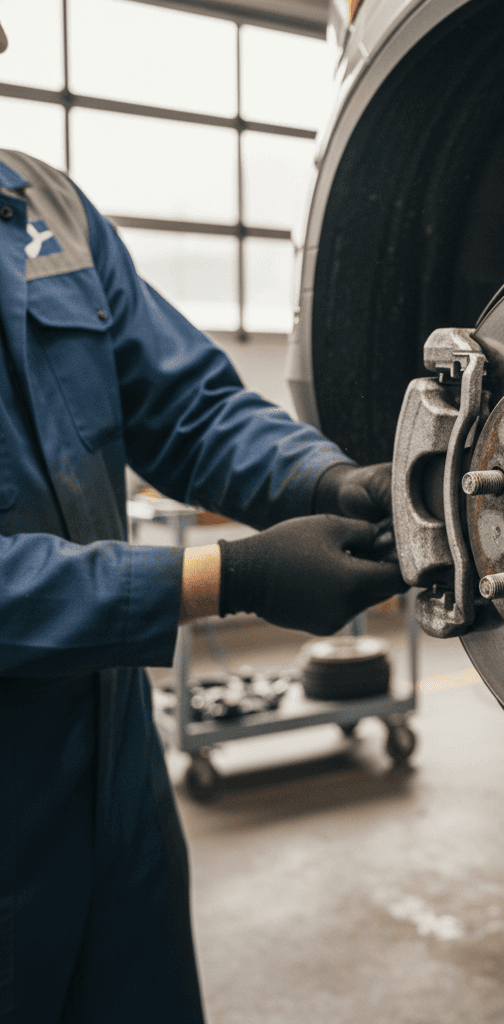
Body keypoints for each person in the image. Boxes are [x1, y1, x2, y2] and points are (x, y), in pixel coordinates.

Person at [0, 20, 406, 1023]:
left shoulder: (43, 209)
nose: (3, 37)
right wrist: (227, 580)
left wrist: (325, 481)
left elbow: (186, 407)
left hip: (111, 781)